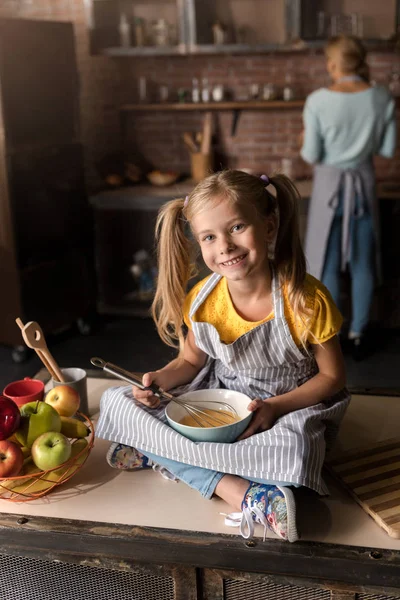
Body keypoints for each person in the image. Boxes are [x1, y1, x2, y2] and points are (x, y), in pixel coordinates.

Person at [96, 170, 350, 543]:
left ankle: (162, 455)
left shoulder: (305, 299)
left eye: (236, 228)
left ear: (269, 225)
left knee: (294, 451)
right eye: (210, 237)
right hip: (217, 403)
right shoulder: (202, 299)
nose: (225, 247)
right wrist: (157, 381)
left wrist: (275, 408)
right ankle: (245, 493)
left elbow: (332, 378)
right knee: (114, 400)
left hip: (286, 412)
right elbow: (189, 363)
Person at [301, 35, 396, 360]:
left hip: (328, 186)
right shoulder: (382, 97)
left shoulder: (317, 100)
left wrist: (304, 140)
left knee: (324, 264)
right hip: (363, 186)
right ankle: (358, 333)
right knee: (363, 264)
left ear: (332, 64)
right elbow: (386, 149)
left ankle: (332, 336)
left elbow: (312, 153)